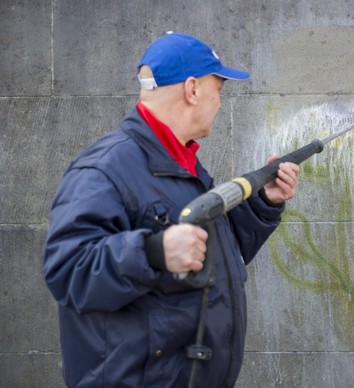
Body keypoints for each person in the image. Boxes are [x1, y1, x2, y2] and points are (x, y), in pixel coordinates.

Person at [43, 32, 300, 388]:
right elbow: (69, 271)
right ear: (192, 90)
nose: (220, 103)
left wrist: (263, 203)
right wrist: (153, 252)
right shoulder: (104, 169)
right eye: (219, 90)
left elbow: (213, 258)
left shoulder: (184, 167)